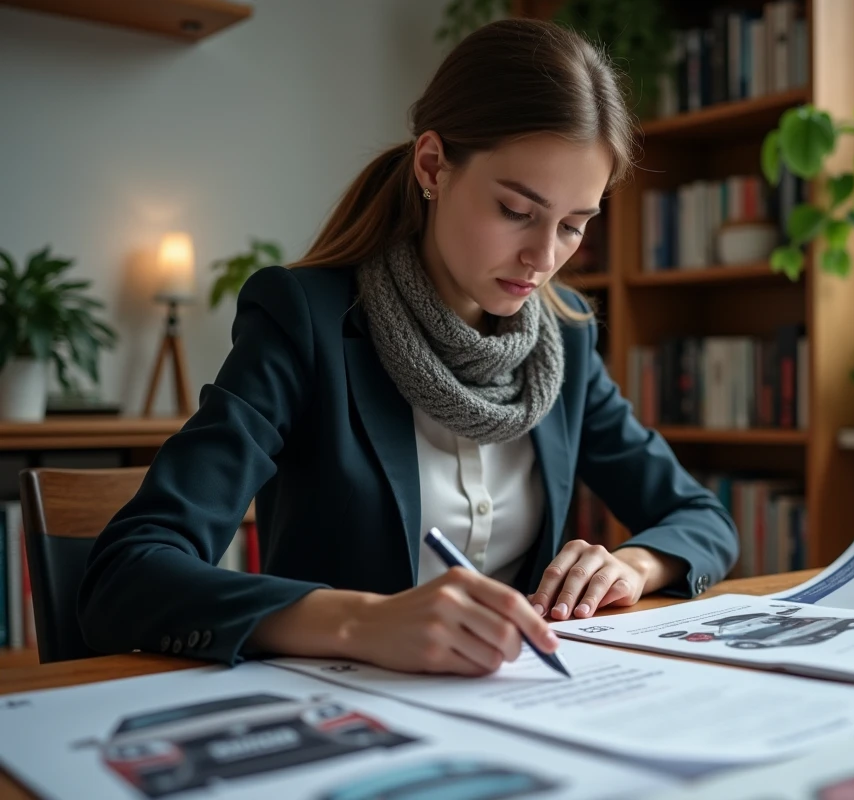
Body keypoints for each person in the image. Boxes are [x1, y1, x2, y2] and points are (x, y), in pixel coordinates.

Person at [78, 18, 738, 677]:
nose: (543, 257)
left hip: (523, 706)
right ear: (433, 165)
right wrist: (359, 620)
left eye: (572, 225)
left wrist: (629, 566)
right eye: (515, 210)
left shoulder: (563, 340)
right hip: (339, 714)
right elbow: (129, 571)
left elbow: (700, 519)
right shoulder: (305, 320)